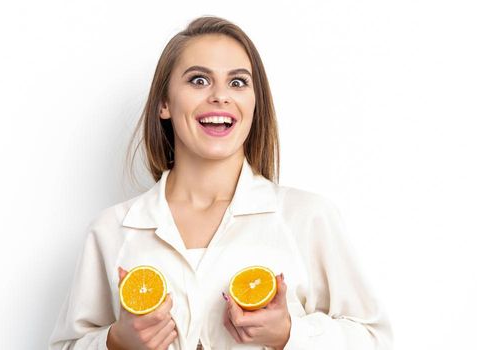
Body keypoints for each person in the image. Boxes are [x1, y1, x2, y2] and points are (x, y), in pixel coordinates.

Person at [48, 16, 392, 350]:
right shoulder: (112, 231)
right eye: (199, 80)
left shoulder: (307, 218)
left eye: (238, 82)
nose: (220, 96)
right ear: (164, 103)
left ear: (255, 103)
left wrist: (289, 335)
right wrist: (117, 343)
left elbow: (375, 339)